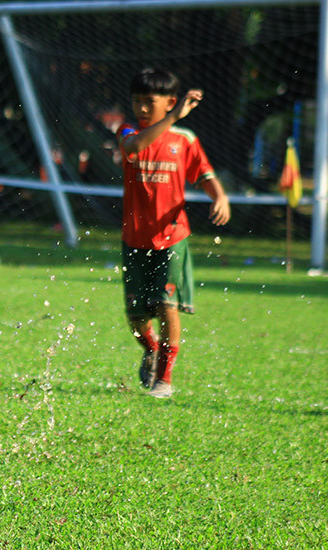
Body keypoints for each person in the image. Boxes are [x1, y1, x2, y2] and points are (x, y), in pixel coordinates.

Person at [118, 68, 230, 398]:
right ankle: (151, 349)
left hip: (172, 237)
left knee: (167, 304)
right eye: (136, 101)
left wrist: (220, 196)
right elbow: (135, 146)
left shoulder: (184, 140)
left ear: (169, 102)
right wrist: (173, 118)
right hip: (134, 238)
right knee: (136, 317)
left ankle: (164, 380)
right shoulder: (127, 131)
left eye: (148, 102)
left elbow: (205, 174)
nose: (141, 108)